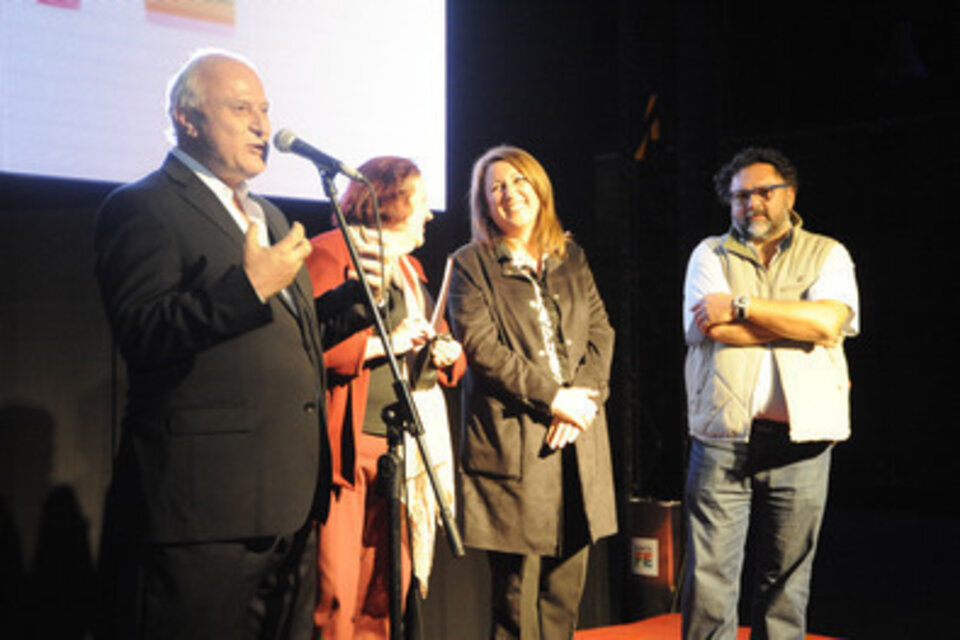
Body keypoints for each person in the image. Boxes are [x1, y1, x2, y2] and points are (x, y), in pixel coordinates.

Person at [93, 49, 361, 640]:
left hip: (287, 504)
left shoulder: (264, 212)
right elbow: (143, 332)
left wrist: (359, 301)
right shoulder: (142, 207)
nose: (263, 125)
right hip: (203, 513)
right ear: (187, 119)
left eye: (265, 109)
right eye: (242, 108)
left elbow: (286, 333)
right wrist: (248, 288)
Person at [681, 147, 860, 639]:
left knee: (785, 583)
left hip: (802, 439)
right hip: (722, 436)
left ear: (790, 195)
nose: (751, 204)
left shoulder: (828, 253)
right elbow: (709, 329)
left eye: (764, 192)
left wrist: (740, 306)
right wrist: (794, 324)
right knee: (709, 579)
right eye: (740, 196)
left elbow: (828, 323)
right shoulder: (708, 253)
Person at [448, 145, 617, 639]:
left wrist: (581, 400)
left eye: (519, 181)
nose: (510, 194)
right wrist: (554, 398)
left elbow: (602, 332)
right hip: (513, 446)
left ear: (539, 188)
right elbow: (482, 349)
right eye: (496, 186)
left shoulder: (571, 256)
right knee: (516, 603)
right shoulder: (470, 264)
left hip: (577, 440)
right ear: (484, 203)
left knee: (565, 594)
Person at [305, 156, 466, 639]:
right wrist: (386, 343)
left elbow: (438, 342)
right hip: (351, 445)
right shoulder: (330, 252)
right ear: (391, 200)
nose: (430, 215)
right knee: (337, 588)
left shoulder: (411, 268)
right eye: (421, 200)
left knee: (386, 587)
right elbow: (310, 347)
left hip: (405, 447)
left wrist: (445, 351)